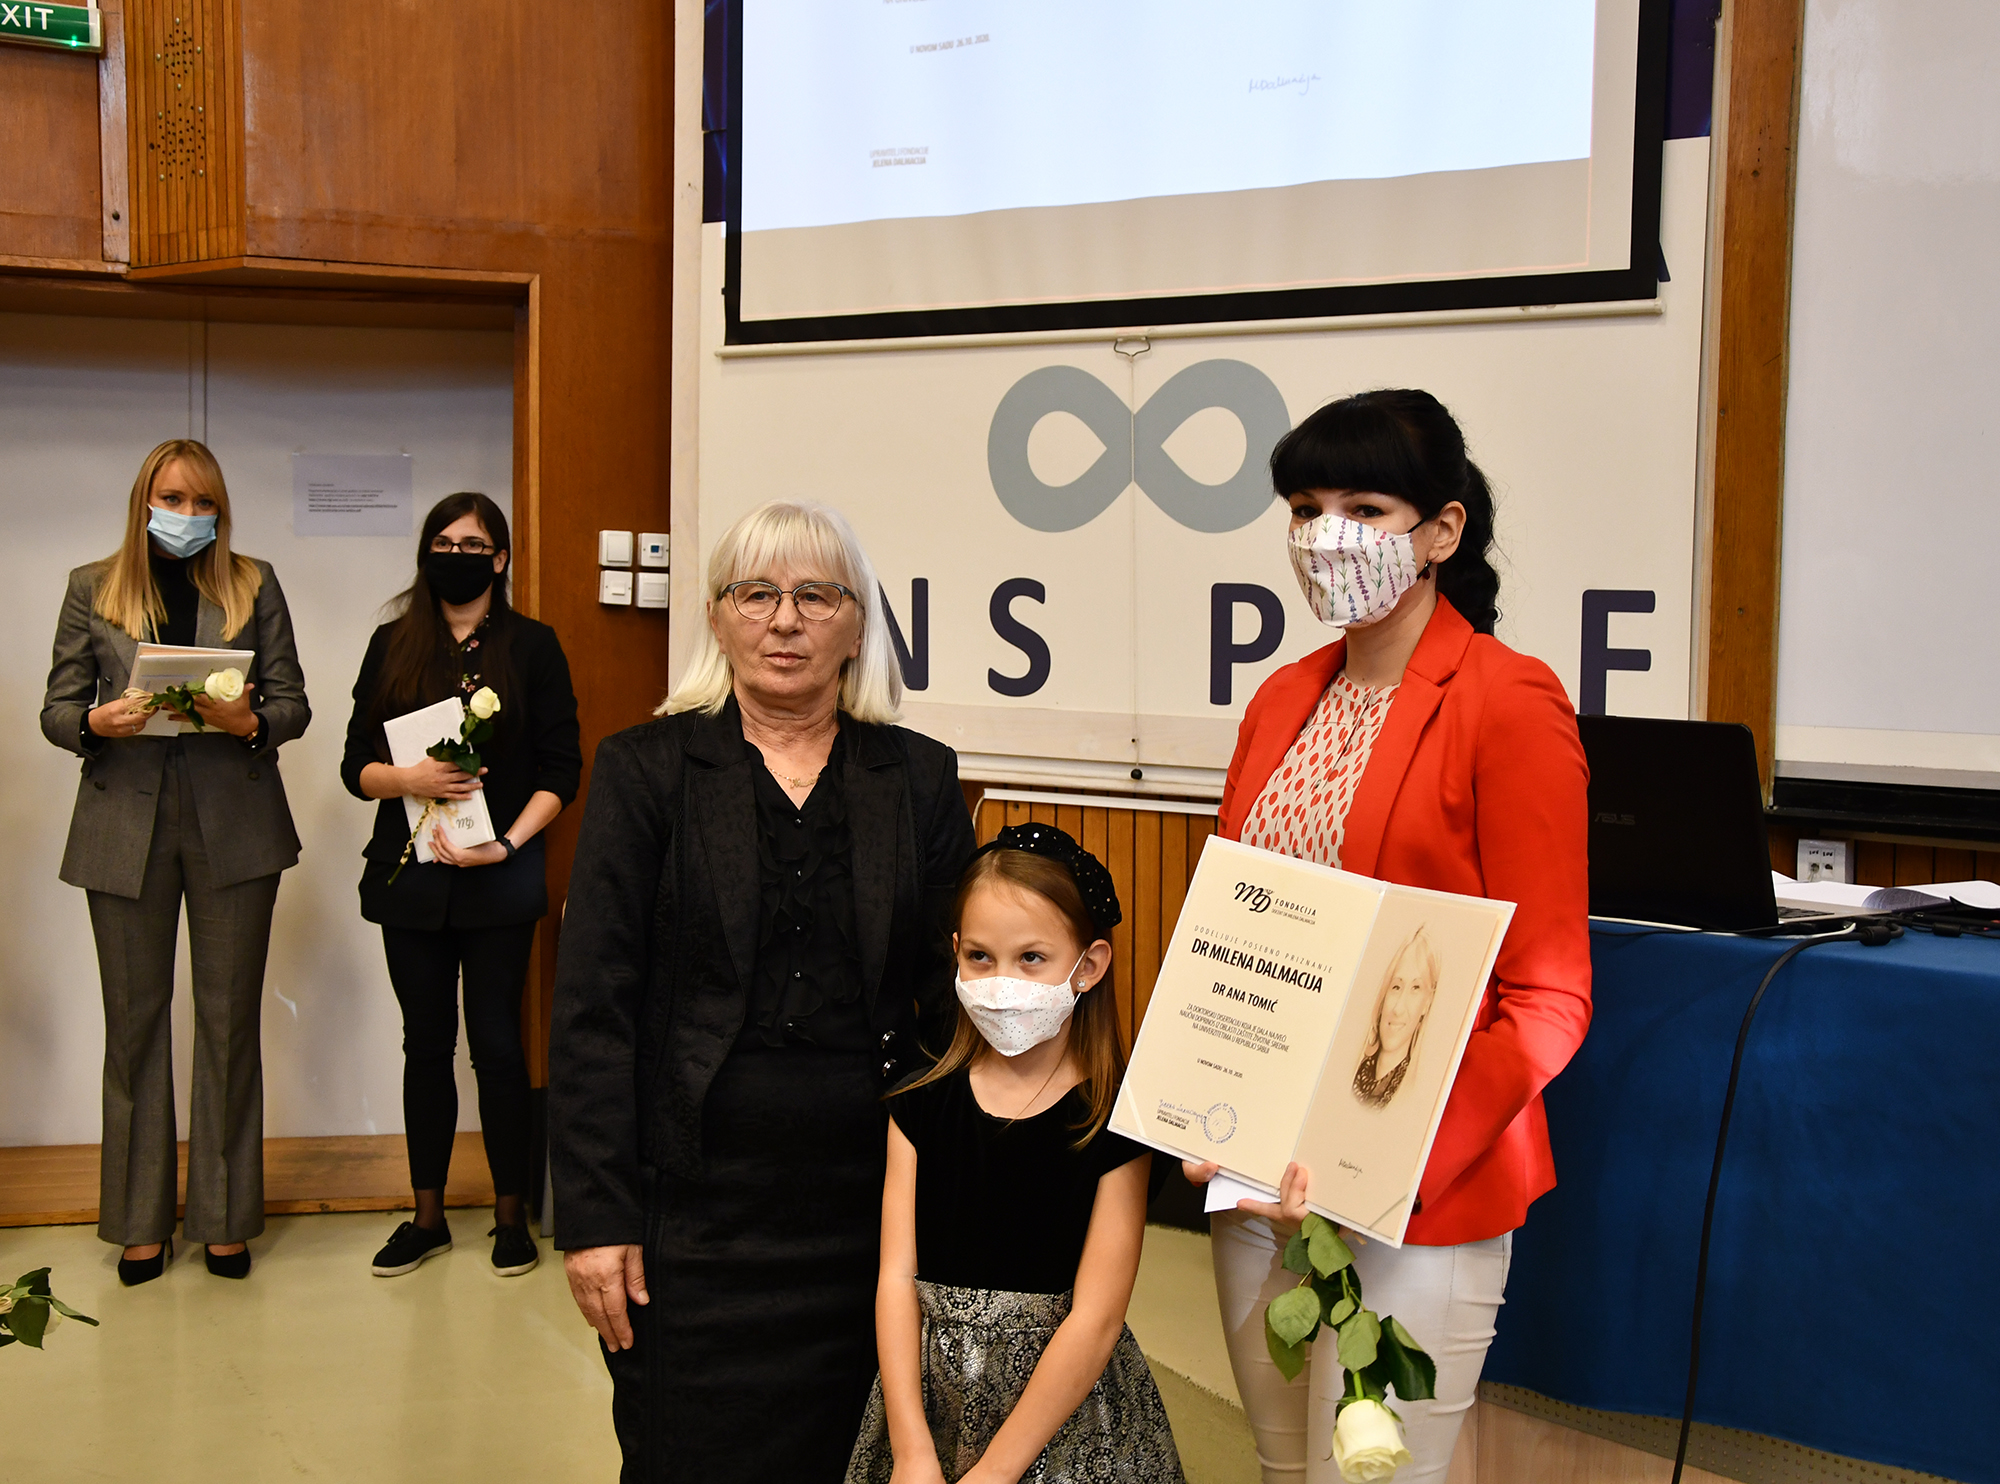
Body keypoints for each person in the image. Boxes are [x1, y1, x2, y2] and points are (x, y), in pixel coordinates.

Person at [1187, 390, 1591, 1483]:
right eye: (1305, 508)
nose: (1328, 535)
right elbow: (1234, 932)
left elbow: (1549, 999)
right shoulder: (1281, 699)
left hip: (1417, 1191)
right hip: (1257, 1174)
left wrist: (1388, 1163)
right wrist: (1199, 1093)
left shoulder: (1507, 700)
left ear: (1441, 530)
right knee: (1283, 1470)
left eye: (1364, 508)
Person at [549, 499, 977, 1483]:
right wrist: (596, 1219)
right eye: (756, 594)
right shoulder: (646, 771)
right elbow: (592, 1010)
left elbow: (954, 995)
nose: (785, 620)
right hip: (691, 1220)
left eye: (817, 596)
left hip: (869, 1219)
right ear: (716, 616)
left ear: (857, 625)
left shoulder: (916, 777)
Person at [40, 438, 312, 1285]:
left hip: (236, 822)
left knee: (229, 1025)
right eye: (173, 499)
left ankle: (224, 1218)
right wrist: (96, 724)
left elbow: (292, 703)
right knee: (134, 1026)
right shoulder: (92, 586)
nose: (188, 515)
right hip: (123, 822)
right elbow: (57, 709)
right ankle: (139, 1222)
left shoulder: (254, 583)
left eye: (204, 503)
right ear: (144, 501)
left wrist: (249, 722)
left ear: (221, 512)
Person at [846, 824, 1184, 1484]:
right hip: (928, 1410)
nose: (1001, 982)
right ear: (955, 954)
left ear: (1088, 966)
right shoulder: (918, 1106)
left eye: (1031, 958)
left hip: (1065, 1422)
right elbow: (895, 1280)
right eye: (980, 956)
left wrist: (996, 1472)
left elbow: (1097, 1317)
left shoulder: (1117, 1125)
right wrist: (911, 1449)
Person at [340, 492, 580, 1280]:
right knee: (425, 1046)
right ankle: (428, 1217)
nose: (457, 555)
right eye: (443, 543)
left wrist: (506, 845)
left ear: (500, 559)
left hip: (497, 881)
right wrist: (405, 778)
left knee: (499, 1047)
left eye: (473, 545)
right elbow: (354, 766)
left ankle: (510, 1217)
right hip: (409, 882)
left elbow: (562, 770)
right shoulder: (392, 643)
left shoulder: (533, 646)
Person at [1351, 929, 1439, 1109]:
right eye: (1396, 987)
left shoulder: (1413, 1098)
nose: (1398, 1009)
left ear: (1427, 1002)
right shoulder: (1351, 1072)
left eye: (1415, 988)